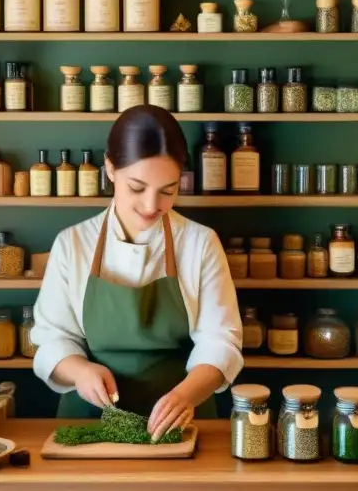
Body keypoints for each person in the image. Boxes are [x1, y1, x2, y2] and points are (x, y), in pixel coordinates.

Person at [30, 105, 243, 440]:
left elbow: (221, 340)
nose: (150, 206)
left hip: (181, 419)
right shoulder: (73, 243)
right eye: (137, 187)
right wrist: (81, 371)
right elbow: (52, 339)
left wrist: (186, 395)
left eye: (167, 191)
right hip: (91, 421)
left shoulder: (200, 243)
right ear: (111, 168)